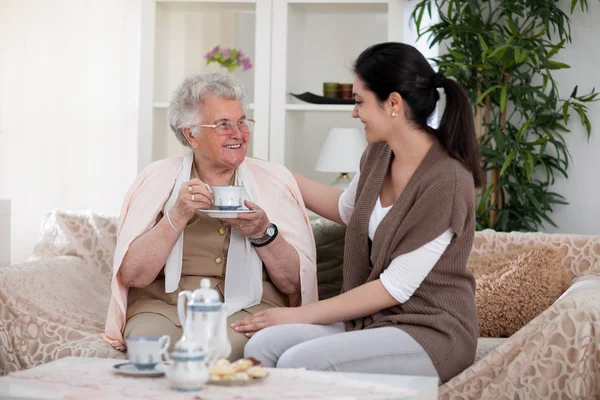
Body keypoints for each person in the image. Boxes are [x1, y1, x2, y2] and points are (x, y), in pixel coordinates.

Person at [232, 42, 483, 383]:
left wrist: (298, 315)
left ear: (393, 103)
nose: (354, 112)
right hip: (377, 320)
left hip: (431, 330)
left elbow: (394, 287)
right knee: (263, 347)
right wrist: (268, 171)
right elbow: (347, 209)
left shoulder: (447, 180)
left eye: (359, 101)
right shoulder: (379, 154)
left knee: (300, 360)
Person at [103, 72, 318, 361]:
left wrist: (263, 232)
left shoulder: (273, 180)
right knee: (152, 351)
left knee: (220, 354)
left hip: (250, 306)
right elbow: (132, 275)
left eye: (242, 122)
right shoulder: (156, 179)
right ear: (191, 134)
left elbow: (295, 283)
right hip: (164, 306)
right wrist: (176, 216)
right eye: (223, 125)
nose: (238, 133)